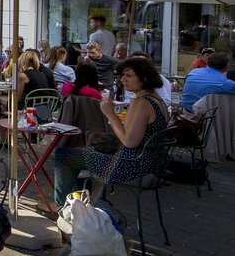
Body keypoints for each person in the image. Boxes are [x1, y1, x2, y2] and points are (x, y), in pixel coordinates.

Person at [54, 58, 170, 207]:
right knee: (84, 152)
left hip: (133, 167)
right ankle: (79, 205)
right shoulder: (157, 100)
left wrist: (110, 114)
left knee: (64, 155)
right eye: (123, 75)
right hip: (153, 165)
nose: (123, 79)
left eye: (129, 76)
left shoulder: (141, 102)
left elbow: (129, 142)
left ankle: (63, 207)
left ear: (145, 78)